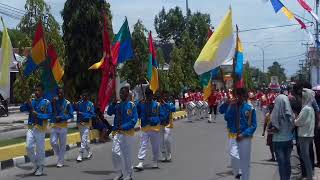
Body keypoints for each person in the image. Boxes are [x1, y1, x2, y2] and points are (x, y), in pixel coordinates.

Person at [224, 88, 257, 180]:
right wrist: (230, 105)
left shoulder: (250, 108)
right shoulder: (233, 106)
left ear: (245, 97)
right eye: (237, 96)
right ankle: (238, 173)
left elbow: (254, 125)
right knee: (233, 155)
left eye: (241, 96)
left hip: (245, 137)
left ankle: (244, 176)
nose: (239, 98)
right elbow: (226, 117)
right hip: (233, 135)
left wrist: (244, 134)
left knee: (245, 161)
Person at [20, 84, 52, 176]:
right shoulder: (32, 101)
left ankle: (41, 166)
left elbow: (49, 115)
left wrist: (38, 115)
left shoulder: (46, 103)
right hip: (31, 127)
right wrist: (26, 103)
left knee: (40, 149)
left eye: (38, 90)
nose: (36, 92)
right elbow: (21, 109)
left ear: (42, 92)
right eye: (35, 90)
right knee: (28, 147)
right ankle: (35, 164)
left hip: (40, 128)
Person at [107, 87, 138, 180]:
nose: (121, 95)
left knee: (127, 155)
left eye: (123, 93)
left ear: (127, 94)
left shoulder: (131, 105)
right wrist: (112, 103)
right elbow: (109, 113)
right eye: (120, 93)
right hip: (117, 132)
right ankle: (119, 172)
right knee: (114, 153)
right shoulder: (117, 105)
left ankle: (129, 174)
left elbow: (134, 120)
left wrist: (124, 126)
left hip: (128, 133)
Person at [134, 87, 161, 170]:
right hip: (144, 128)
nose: (149, 96)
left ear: (152, 96)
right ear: (145, 95)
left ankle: (155, 161)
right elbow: (137, 113)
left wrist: (152, 119)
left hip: (154, 128)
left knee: (155, 146)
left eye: (150, 95)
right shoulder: (141, 104)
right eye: (147, 95)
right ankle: (141, 162)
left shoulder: (156, 104)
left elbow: (159, 116)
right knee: (143, 145)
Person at [270, 93, 295, 180]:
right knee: (287, 162)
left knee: (281, 163)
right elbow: (293, 125)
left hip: (278, 141)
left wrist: (270, 130)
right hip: (288, 140)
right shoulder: (290, 114)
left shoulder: (274, 114)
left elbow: (275, 128)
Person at [294, 88, 315, 180]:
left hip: (304, 135)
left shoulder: (305, 109)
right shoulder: (310, 108)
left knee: (305, 157)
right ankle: (310, 175)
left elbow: (298, 122)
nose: (301, 99)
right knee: (306, 157)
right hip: (309, 135)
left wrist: (294, 120)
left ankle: (309, 176)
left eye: (302, 97)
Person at [50, 88, 74, 168]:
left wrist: (62, 117)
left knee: (62, 145)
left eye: (61, 93)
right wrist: (51, 103)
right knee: (53, 142)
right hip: (54, 125)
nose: (60, 95)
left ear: (64, 93)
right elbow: (50, 110)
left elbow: (71, 115)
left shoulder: (67, 103)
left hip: (63, 126)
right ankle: (60, 155)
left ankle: (60, 161)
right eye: (58, 93)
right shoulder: (54, 101)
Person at [74, 91, 95, 162]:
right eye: (83, 96)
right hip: (80, 124)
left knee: (83, 140)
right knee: (84, 140)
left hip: (86, 124)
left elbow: (91, 115)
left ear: (88, 97)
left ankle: (80, 154)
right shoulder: (79, 103)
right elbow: (74, 109)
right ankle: (89, 151)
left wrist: (82, 113)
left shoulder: (91, 104)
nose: (84, 97)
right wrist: (75, 105)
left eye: (86, 96)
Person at [159, 92, 176, 162]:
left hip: (168, 124)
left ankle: (169, 153)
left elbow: (173, 109)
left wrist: (166, 104)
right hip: (160, 124)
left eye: (166, 97)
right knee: (161, 141)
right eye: (163, 97)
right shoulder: (158, 105)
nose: (164, 98)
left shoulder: (170, 104)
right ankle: (163, 154)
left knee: (166, 139)